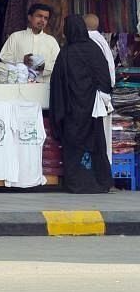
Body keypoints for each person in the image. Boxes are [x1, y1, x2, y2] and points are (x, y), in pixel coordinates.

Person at [50, 15, 113, 194]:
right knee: (96, 143)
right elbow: (105, 78)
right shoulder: (95, 50)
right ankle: (99, 182)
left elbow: (58, 84)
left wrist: (59, 111)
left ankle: (77, 183)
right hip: (92, 110)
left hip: (72, 111)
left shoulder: (66, 52)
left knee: (74, 146)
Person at [0, 3, 60, 81]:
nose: (42, 20)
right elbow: (4, 57)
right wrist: (21, 61)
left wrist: (44, 67)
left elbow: (58, 64)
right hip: (20, 86)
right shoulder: (16, 37)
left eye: (46, 18)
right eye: (39, 16)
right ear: (30, 17)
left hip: (44, 87)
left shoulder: (51, 41)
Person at [84, 14, 115, 163]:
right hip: (105, 92)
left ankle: (98, 169)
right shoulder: (101, 40)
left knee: (96, 136)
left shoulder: (88, 42)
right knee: (104, 136)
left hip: (96, 95)